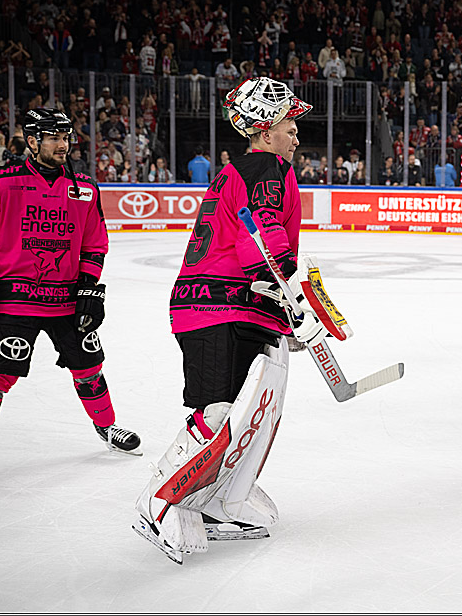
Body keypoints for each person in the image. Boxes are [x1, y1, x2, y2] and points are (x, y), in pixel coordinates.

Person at [134, 77, 320, 561]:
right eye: (289, 123)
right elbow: (260, 231)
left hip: (231, 303)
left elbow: (253, 235)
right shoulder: (265, 165)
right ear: (263, 129)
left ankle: (215, 502)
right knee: (216, 414)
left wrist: (281, 303)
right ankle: (159, 501)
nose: (297, 133)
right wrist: (283, 289)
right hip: (214, 305)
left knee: (244, 412)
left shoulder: (246, 166)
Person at [0, 108, 141, 500]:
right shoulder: (1, 182)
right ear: (32, 141)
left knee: (90, 368)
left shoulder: (85, 187)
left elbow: (95, 241)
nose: (62, 144)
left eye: (66, 136)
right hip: (14, 299)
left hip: (66, 297)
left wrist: (88, 286)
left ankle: (106, 426)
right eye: (52, 137)